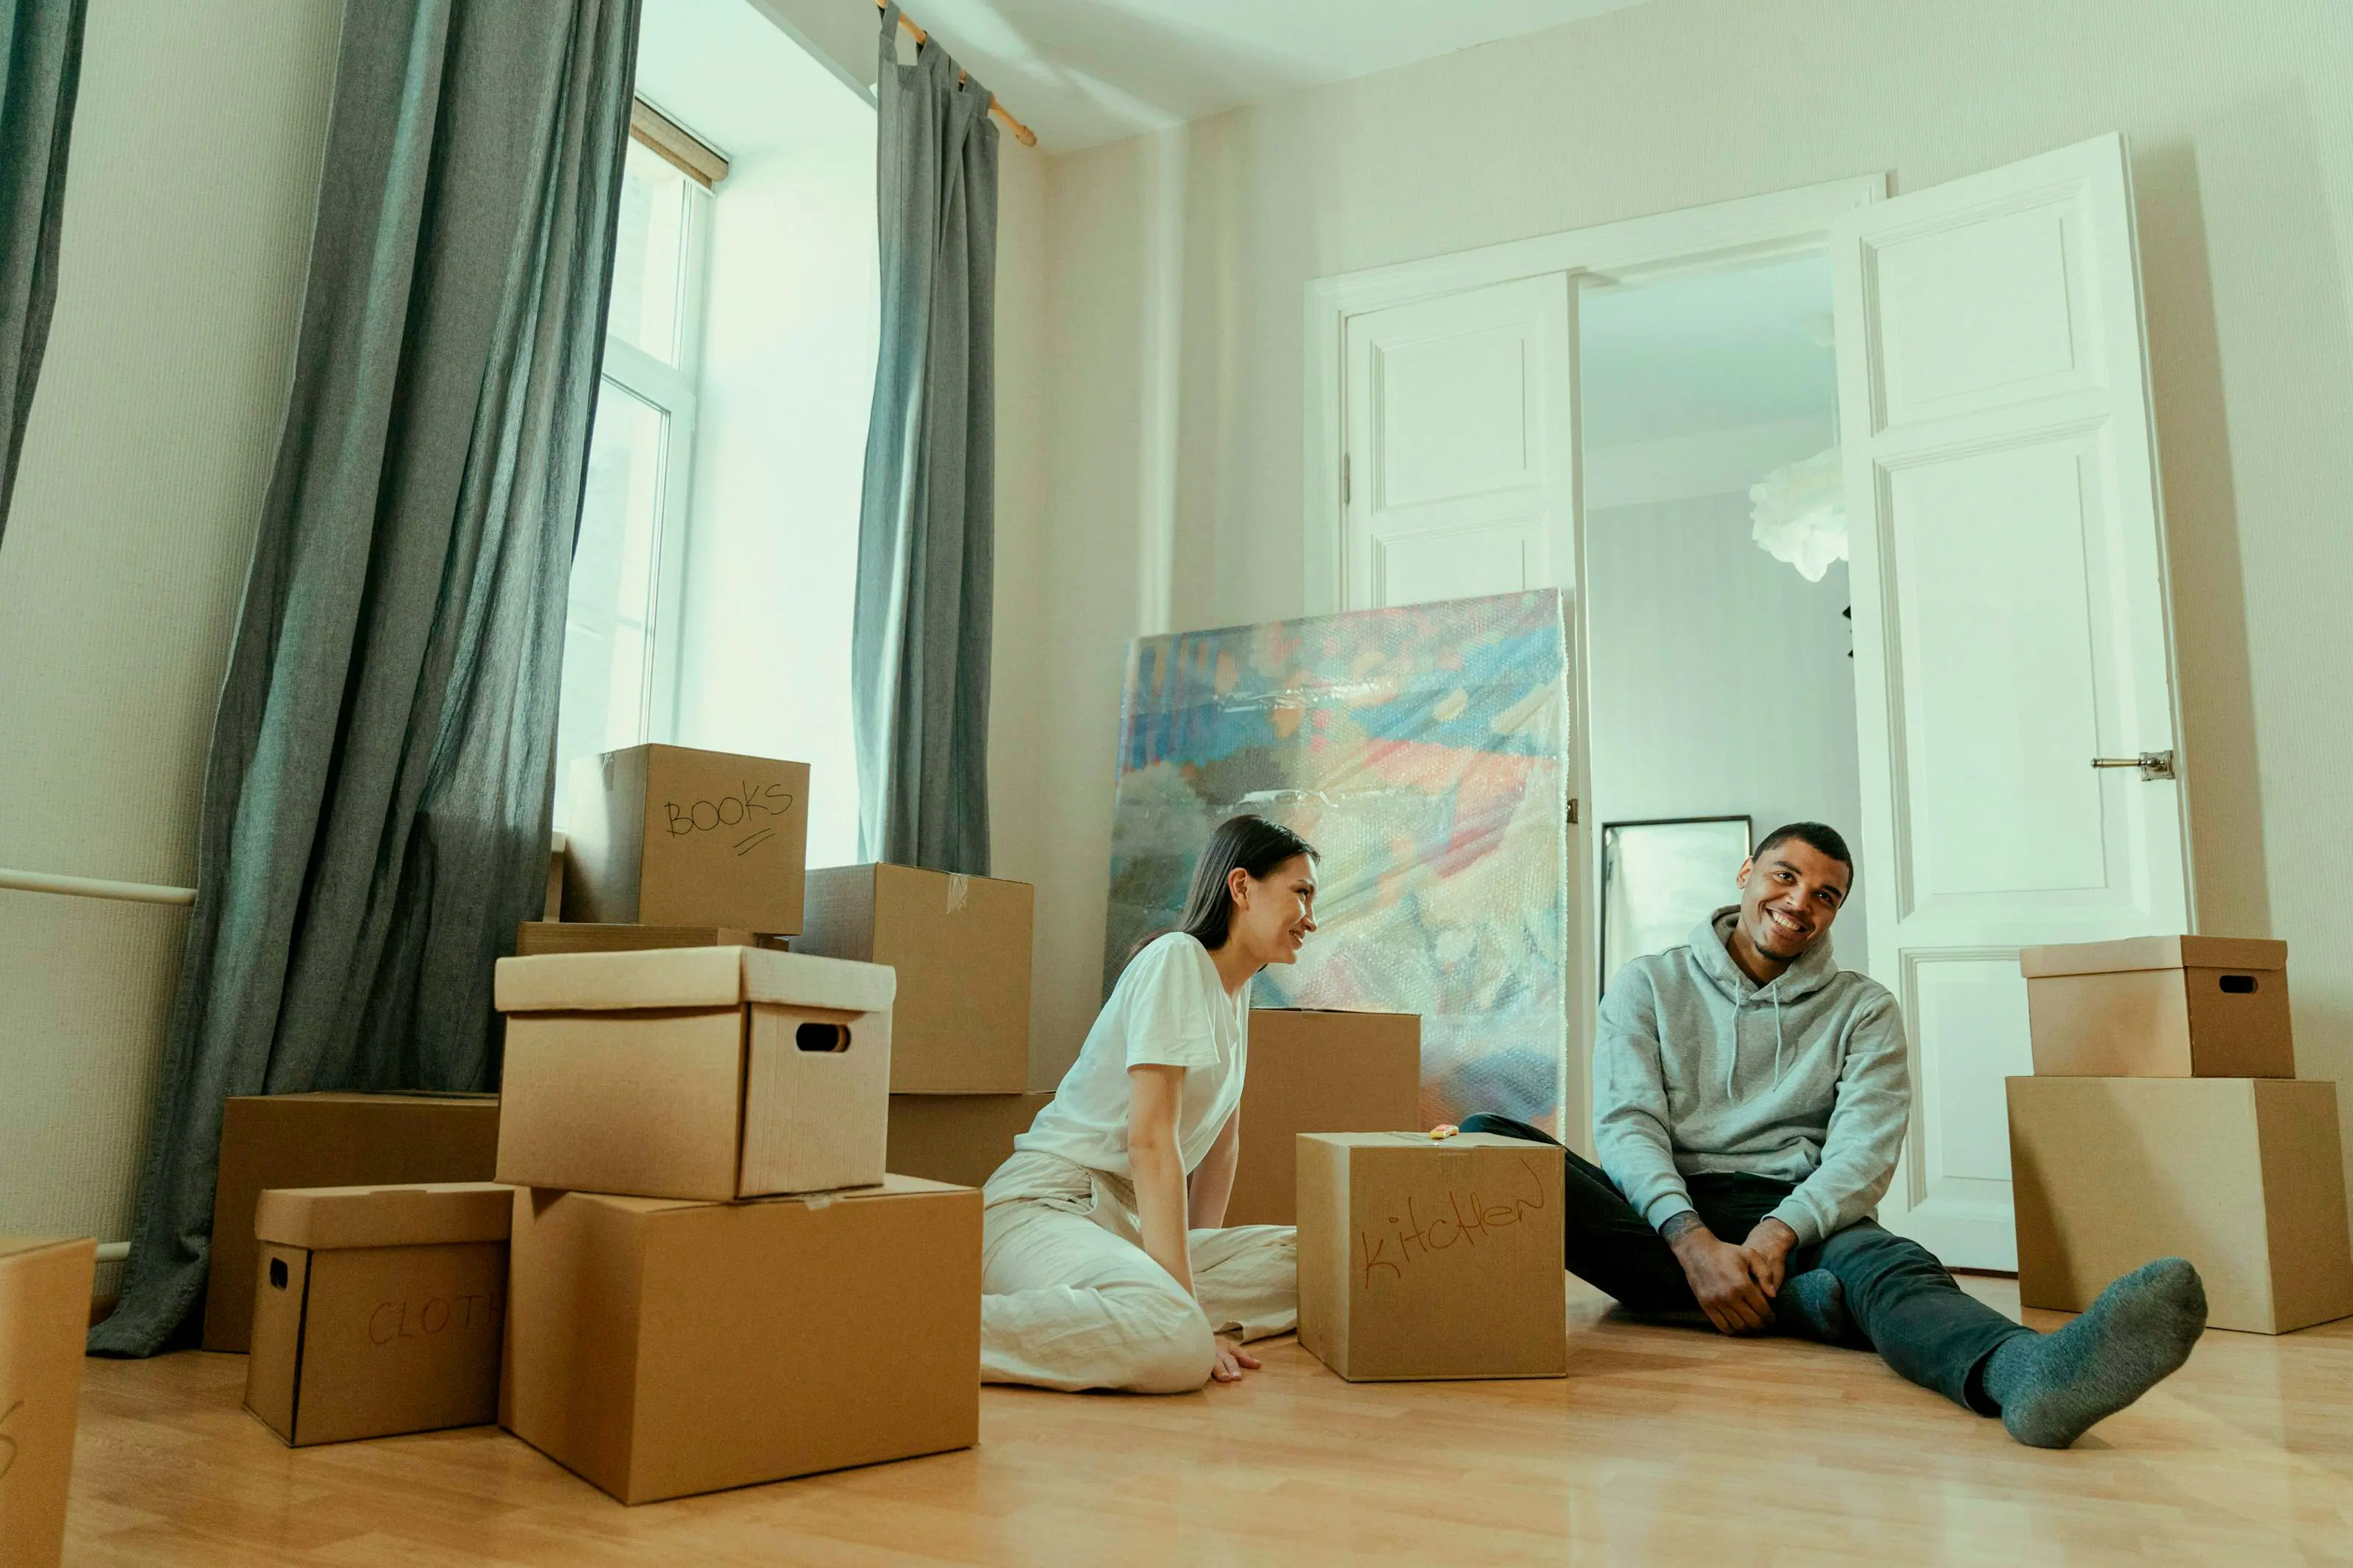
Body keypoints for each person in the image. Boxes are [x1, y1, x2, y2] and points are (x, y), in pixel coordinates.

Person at [1465, 821, 2208, 1449]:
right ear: (1745, 873)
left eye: (1824, 896)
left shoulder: (1864, 1009)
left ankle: (2024, 1376)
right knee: (1489, 1140)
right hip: (1667, 1213)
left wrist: (1774, 1235)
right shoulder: (1647, 985)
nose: (1798, 904)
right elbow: (1626, 1123)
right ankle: (1787, 1304)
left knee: (1894, 1266)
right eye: (1783, 878)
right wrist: (1691, 1242)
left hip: (1796, 1215)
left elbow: (1862, 1150)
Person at [979, 815, 1316, 1392]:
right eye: (1301, 893)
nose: (1313, 917)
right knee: (1178, 1343)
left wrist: (1193, 1271)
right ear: (1241, 887)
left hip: (1125, 1225)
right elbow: (1150, 1141)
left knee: (1319, 1260)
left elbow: (1221, 1148)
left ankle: (1158, 1310)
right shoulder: (1177, 959)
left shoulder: (1237, 992)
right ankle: (924, 1326)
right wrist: (1188, 1311)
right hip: (1050, 1206)